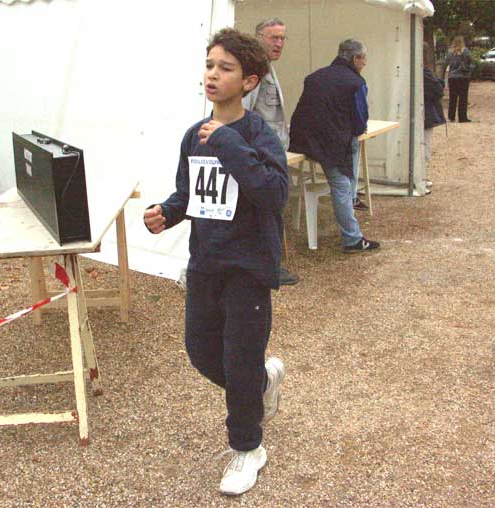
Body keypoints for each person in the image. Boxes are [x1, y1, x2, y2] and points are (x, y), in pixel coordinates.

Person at [143, 28, 288, 496]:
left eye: (225, 68)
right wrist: (168, 212)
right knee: (203, 354)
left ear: (249, 82)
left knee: (239, 360)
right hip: (205, 265)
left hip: (248, 269)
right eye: (209, 65)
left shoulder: (258, 135)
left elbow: (274, 193)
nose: (212, 75)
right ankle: (262, 382)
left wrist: (228, 143)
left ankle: (248, 448)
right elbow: (191, 194)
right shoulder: (194, 135)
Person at [289, 39, 380, 253]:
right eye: (364, 58)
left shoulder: (314, 77)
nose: (365, 62)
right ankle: (352, 239)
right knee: (342, 184)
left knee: (344, 177)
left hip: (304, 141)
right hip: (332, 145)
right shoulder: (356, 83)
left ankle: (352, 198)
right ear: (355, 58)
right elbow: (360, 122)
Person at [242, 17, 299, 286]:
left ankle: (267, 264)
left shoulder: (267, 68)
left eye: (282, 38)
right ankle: (268, 268)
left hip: (271, 155)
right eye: (274, 37)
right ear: (258, 37)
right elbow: (243, 114)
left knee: (270, 212)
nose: (279, 43)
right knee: (266, 213)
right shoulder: (254, 70)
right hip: (260, 158)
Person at [422, 44, 446, 195]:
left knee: (424, 148)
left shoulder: (423, 72)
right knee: (424, 148)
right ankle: (421, 178)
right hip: (426, 115)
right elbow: (438, 89)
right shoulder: (425, 73)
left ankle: (422, 177)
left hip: (425, 114)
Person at [446, 36, 473, 123]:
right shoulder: (465, 51)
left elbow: (446, 64)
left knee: (452, 98)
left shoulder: (450, 52)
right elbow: (471, 62)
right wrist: (469, 70)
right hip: (463, 77)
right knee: (463, 98)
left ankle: (451, 116)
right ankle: (462, 117)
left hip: (452, 77)